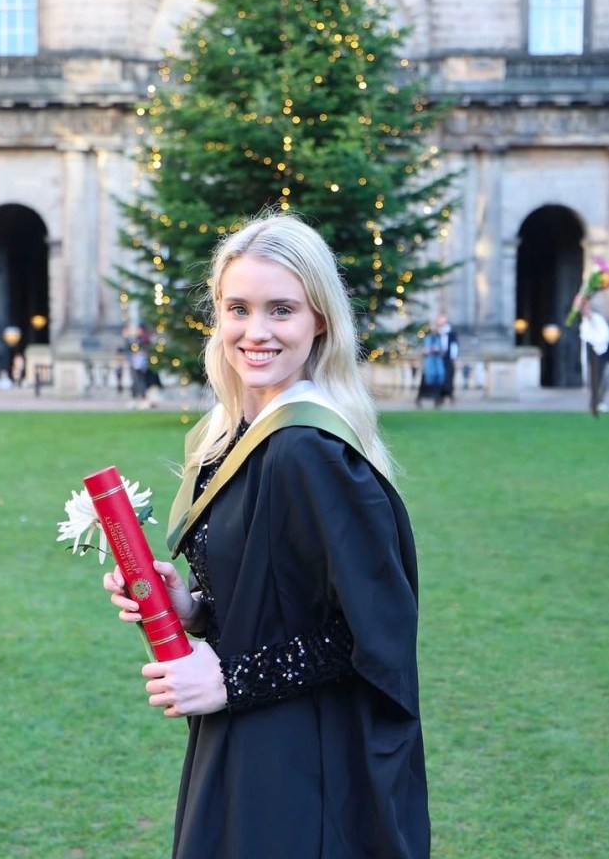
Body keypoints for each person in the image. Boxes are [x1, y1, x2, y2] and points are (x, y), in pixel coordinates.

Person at [103, 211, 429, 858]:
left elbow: (373, 634)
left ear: (319, 321)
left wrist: (230, 680)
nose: (255, 332)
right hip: (243, 741)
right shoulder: (229, 439)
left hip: (301, 761)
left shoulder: (309, 449)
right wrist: (191, 608)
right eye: (237, 308)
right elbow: (281, 593)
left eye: (280, 309)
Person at [578, 299, 609, 417]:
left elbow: (602, 335)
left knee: (600, 378)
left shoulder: (596, 319)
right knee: (595, 378)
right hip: (593, 349)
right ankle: (594, 404)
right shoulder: (585, 322)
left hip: (600, 350)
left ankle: (597, 403)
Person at [415, 321, 445, 408]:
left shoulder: (439, 339)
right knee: (424, 385)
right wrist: (425, 351)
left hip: (437, 365)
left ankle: (437, 400)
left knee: (437, 384)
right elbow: (422, 351)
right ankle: (419, 399)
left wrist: (437, 350)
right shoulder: (426, 339)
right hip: (428, 365)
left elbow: (443, 352)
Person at [436, 312, 459, 403]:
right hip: (439, 357)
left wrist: (454, 357)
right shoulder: (437, 332)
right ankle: (440, 396)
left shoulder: (451, 333)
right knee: (440, 377)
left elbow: (454, 346)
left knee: (449, 376)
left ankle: (449, 394)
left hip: (448, 357)